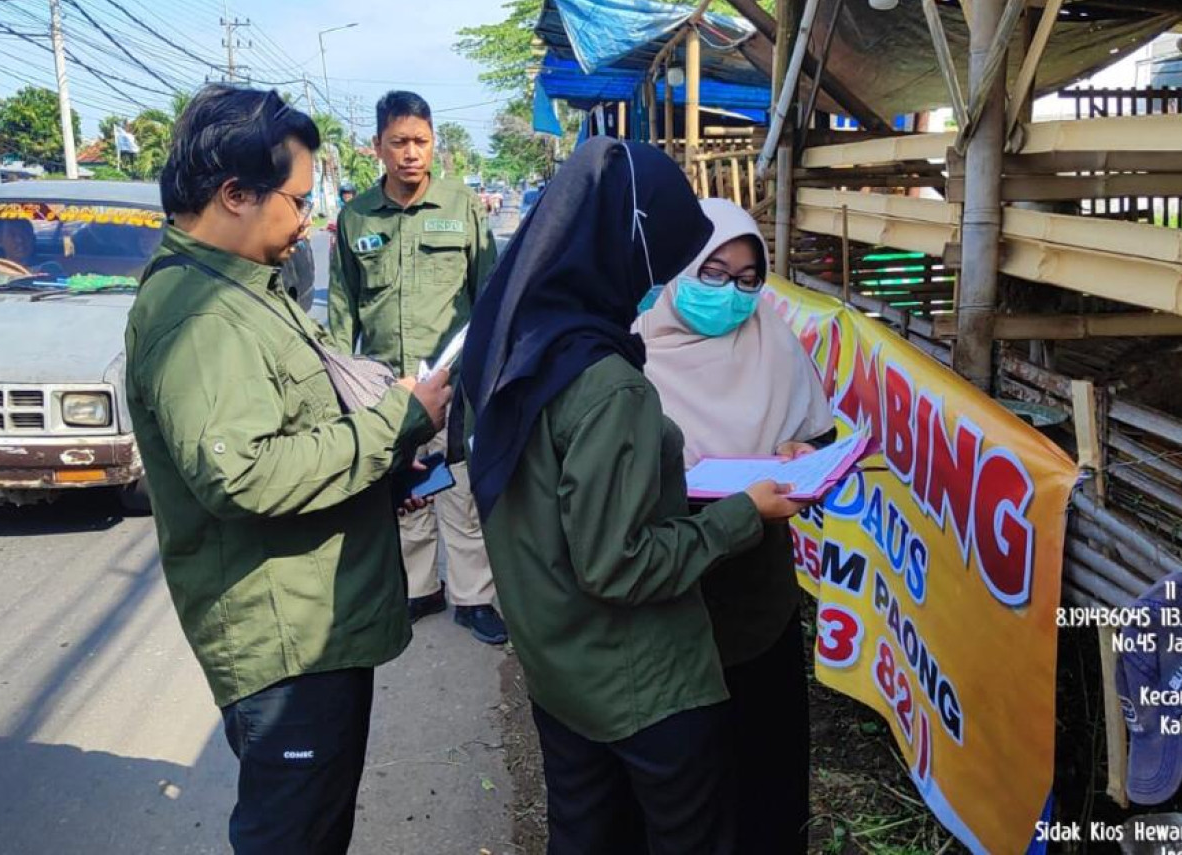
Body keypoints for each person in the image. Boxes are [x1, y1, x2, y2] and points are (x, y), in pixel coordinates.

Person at [124, 85, 450, 854]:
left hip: (314, 622)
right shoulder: (200, 314)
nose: (308, 218)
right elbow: (245, 475)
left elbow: (290, 429)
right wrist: (392, 424)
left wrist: (378, 467)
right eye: (298, 200)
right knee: (294, 834)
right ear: (234, 194)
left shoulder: (243, 284)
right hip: (286, 643)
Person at [461, 137, 810, 854]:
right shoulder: (609, 381)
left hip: (565, 656)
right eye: (687, 259)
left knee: (589, 827)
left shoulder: (512, 344)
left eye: (746, 276)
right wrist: (742, 513)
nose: (722, 289)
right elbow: (616, 562)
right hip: (639, 668)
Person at [636, 197, 831, 854]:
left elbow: (816, 433)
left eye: (750, 279)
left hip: (757, 598)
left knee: (768, 774)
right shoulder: (633, 353)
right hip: (670, 599)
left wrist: (805, 457)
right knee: (689, 781)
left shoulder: (771, 337)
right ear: (679, 266)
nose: (734, 293)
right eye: (714, 272)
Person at [328, 90, 506, 645]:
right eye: (399, 142)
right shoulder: (355, 218)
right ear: (377, 147)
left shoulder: (462, 207)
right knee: (404, 492)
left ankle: (474, 597)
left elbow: (491, 296)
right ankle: (419, 589)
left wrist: (488, 376)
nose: (411, 153)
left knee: (461, 492)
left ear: (435, 145)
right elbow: (341, 311)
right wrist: (338, 390)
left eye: (421, 142)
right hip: (385, 385)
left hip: (454, 383)